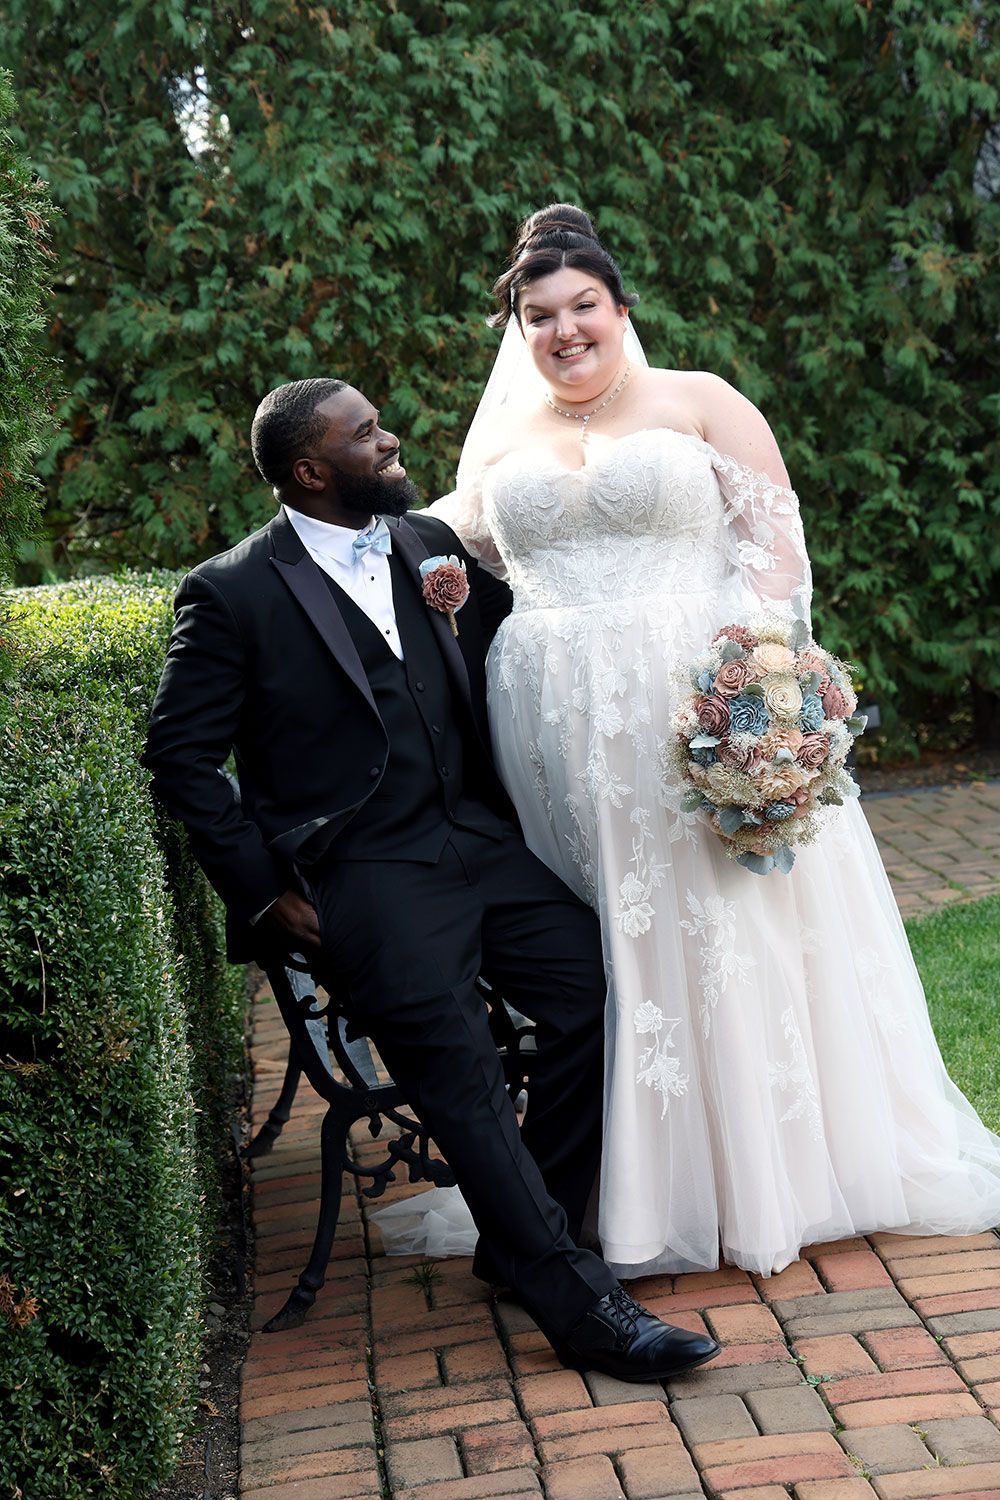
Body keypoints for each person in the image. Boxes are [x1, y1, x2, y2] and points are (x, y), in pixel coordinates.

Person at [425, 204, 1000, 1279]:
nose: (563, 331)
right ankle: (611, 1184)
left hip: (695, 711)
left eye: (581, 306)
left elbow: (776, 554)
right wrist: (443, 582)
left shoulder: (700, 402)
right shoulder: (501, 439)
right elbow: (463, 551)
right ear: (515, 326)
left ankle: (757, 1179)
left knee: (721, 927)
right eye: (537, 313)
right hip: (553, 727)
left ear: (619, 305)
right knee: (606, 945)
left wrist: (759, 700)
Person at [142, 375, 720, 1380]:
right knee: (460, 1073)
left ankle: (515, 1238)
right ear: (312, 471)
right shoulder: (230, 591)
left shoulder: (424, 547)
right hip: (366, 874)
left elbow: (524, 644)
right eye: (366, 434)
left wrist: (496, 612)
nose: (391, 437)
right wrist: (262, 889)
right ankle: (584, 1311)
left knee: (599, 994)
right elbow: (180, 757)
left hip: (475, 841)